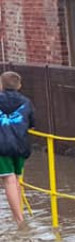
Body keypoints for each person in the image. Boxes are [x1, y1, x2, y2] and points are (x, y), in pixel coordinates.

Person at [0, 71, 35, 227]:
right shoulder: (26, 102)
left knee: (9, 180)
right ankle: (20, 214)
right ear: (19, 86)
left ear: (1, 85)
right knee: (16, 180)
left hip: (1, 146)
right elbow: (32, 123)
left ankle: (19, 220)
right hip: (21, 146)